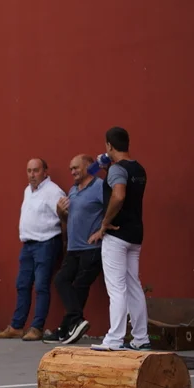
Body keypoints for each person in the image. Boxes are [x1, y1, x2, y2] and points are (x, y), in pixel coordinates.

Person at [90, 127, 149, 351]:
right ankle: (141, 338)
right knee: (134, 285)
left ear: (109, 145)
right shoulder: (138, 168)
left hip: (116, 234)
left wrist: (105, 223)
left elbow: (119, 194)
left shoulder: (117, 170)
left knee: (116, 288)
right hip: (135, 234)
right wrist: (106, 166)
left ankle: (114, 339)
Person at [0, 158, 66, 341]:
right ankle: (17, 326)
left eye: (36, 170)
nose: (32, 175)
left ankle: (37, 327)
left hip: (46, 243)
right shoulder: (28, 190)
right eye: (29, 171)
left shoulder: (53, 191)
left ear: (45, 172)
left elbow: (65, 215)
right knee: (22, 284)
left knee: (41, 286)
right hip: (28, 245)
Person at [48, 154, 105, 344]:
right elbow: (68, 219)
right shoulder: (72, 190)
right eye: (71, 169)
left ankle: (66, 328)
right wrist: (60, 212)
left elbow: (113, 209)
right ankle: (72, 323)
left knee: (80, 286)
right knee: (61, 280)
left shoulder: (99, 187)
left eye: (76, 168)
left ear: (88, 166)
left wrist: (102, 230)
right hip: (73, 248)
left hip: (91, 248)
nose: (72, 172)